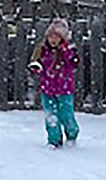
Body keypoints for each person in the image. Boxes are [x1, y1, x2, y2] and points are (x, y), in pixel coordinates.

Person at [29, 19, 79, 148]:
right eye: (51, 36)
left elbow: (73, 64)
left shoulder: (68, 50)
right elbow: (37, 63)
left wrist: (66, 52)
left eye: (57, 37)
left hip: (64, 90)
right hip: (48, 90)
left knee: (66, 114)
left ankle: (72, 134)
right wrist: (36, 68)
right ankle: (54, 140)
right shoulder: (42, 50)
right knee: (51, 117)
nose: (53, 39)